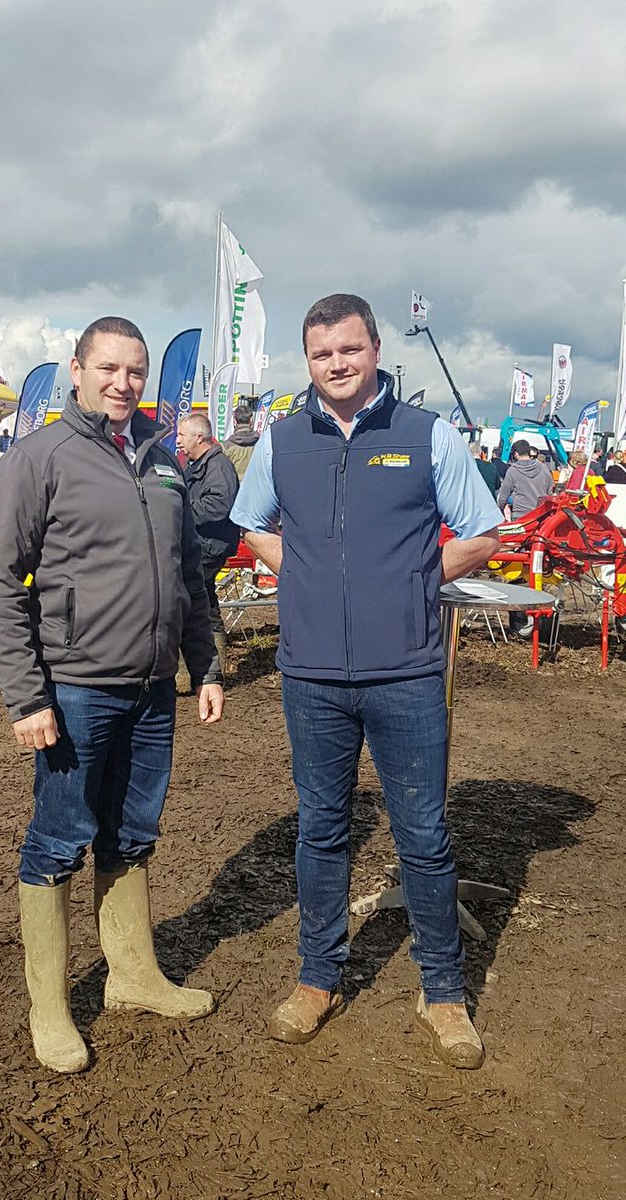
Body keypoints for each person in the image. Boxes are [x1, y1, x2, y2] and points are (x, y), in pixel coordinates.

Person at [231, 293, 501, 1068]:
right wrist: (302, 577)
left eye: (350, 350)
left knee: (422, 833)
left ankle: (443, 994)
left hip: (408, 673)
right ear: (307, 361)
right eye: (322, 354)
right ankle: (318, 979)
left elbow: (482, 532)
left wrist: (418, 579)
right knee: (321, 829)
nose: (337, 365)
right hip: (312, 676)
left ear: (375, 349)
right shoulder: (282, 441)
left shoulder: (426, 435)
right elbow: (251, 523)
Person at [0, 316, 224, 1075]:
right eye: (109, 368)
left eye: (137, 370)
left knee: (134, 832)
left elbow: (189, 574)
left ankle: (132, 975)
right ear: (77, 369)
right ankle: (48, 1005)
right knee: (58, 839)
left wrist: (205, 665)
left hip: (154, 690)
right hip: (75, 688)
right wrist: (27, 699)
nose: (124, 383)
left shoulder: (162, 458)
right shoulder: (39, 457)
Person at [175, 412, 240, 681]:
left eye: (181, 435)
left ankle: (201, 673)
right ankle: (206, 672)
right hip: (200, 544)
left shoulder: (218, 466)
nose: (177, 440)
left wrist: (181, 510)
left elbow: (219, 506)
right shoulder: (195, 463)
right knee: (203, 601)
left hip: (210, 546)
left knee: (191, 601)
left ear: (199, 437)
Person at [497, 439, 555, 521]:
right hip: (540, 515)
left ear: (516, 454)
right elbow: (550, 493)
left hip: (520, 515)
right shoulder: (544, 468)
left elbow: (503, 497)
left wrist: (502, 508)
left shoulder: (513, 471)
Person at [222, 405, 260, 481]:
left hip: (236, 489)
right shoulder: (261, 443)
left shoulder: (226, 447)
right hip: (256, 488)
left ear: (234, 421)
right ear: (251, 420)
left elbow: (223, 474)